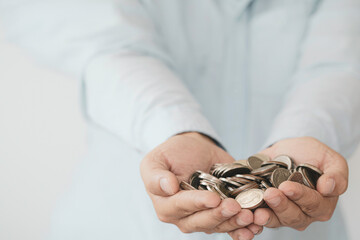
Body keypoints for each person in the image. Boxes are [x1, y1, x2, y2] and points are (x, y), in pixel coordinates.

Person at [1, 0, 359, 239]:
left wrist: (310, 133)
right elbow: (106, 46)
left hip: (301, 223)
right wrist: (175, 128)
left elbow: (343, 62)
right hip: (122, 223)